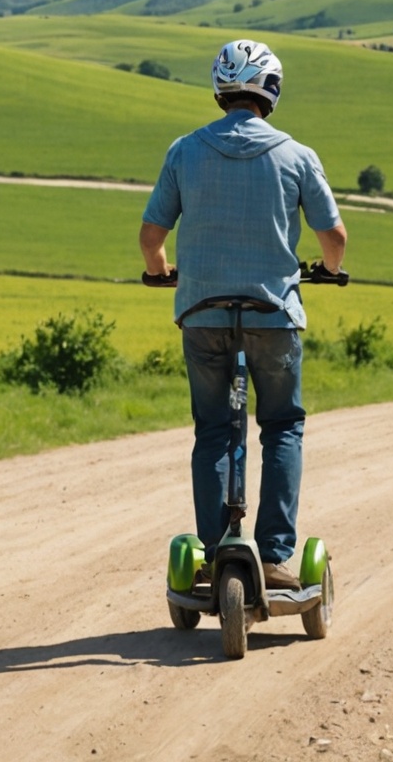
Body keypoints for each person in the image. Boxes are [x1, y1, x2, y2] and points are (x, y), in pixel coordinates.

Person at [139, 39, 346, 590]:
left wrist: (161, 272)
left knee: (214, 431)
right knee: (280, 427)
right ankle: (276, 557)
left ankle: (216, 552)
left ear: (219, 90)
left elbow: (151, 236)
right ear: (271, 91)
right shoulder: (297, 155)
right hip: (272, 315)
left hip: (203, 315)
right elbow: (335, 237)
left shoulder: (185, 150)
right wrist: (327, 269)